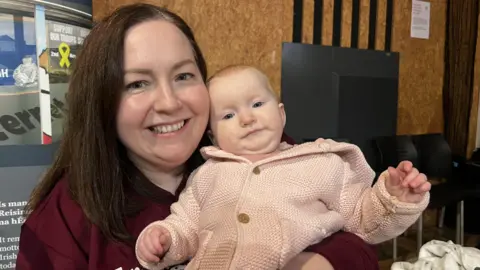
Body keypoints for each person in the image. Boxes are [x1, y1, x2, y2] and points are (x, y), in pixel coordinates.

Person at [16, 3, 381, 270]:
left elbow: (359, 237)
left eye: (184, 76)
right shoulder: (65, 215)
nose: (170, 102)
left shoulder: (261, 152)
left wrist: (320, 261)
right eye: (137, 83)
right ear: (102, 103)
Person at [135, 65, 431, 269]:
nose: (247, 119)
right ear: (213, 136)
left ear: (281, 115)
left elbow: (362, 218)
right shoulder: (205, 176)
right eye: (227, 116)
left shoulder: (320, 163)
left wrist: (392, 199)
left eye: (257, 104)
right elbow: (184, 226)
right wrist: (163, 239)